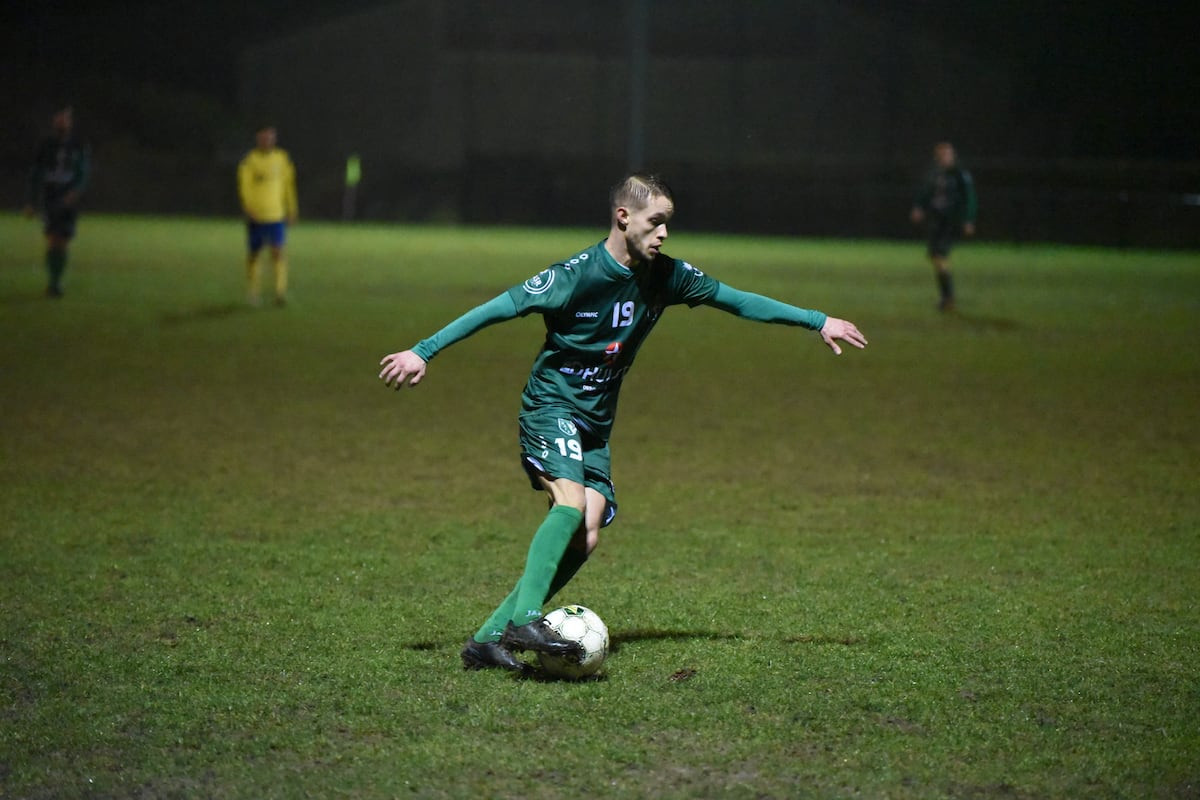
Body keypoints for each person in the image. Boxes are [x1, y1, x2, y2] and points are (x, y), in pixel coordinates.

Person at [379, 174, 868, 673]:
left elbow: (737, 300)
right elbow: (497, 309)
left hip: (595, 423)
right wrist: (423, 351)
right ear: (623, 218)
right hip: (551, 407)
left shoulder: (668, 276)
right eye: (656, 222)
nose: (663, 234)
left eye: (667, 224)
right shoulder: (575, 275)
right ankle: (526, 619)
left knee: (585, 533)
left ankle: (487, 640)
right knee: (568, 504)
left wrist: (817, 320)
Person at [23, 106, 91, 298]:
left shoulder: (79, 144)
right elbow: (35, 173)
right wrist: (30, 201)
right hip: (50, 196)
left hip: (69, 197)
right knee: (53, 239)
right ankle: (54, 284)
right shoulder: (46, 145)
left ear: (70, 123)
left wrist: (76, 191)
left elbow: (84, 171)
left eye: (65, 119)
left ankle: (57, 279)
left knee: (64, 240)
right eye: (58, 119)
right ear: (54, 122)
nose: (61, 122)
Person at [909, 142, 977, 312]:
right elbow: (926, 192)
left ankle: (948, 297)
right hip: (935, 220)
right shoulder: (935, 174)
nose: (945, 158)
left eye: (947, 155)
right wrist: (919, 207)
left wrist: (968, 220)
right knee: (935, 256)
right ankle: (946, 297)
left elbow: (970, 198)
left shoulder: (960, 175)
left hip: (950, 221)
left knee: (939, 255)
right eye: (941, 155)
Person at [237, 125, 298, 306]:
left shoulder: (282, 159)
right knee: (254, 254)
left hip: (276, 215)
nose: (267, 141)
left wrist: (292, 209)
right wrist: (247, 207)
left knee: (278, 253)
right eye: (264, 138)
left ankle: (280, 293)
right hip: (256, 216)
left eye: (271, 137)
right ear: (258, 139)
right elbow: (244, 186)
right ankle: (253, 293)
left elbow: (289, 186)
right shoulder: (250, 160)